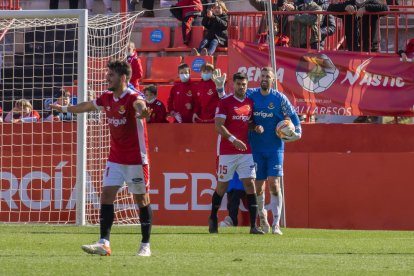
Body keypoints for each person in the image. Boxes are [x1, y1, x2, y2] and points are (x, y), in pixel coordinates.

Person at [50, 59, 153, 257]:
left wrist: (143, 112)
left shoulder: (133, 97)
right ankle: (104, 243)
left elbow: (140, 105)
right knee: (106, 195)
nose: (107, 77)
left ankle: (145, 244)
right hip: (115, 158)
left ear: (122, 78)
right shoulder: (106, 97)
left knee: (141, 199)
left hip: (136, 160)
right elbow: (87, 106)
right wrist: (64, 109)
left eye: (111, 75)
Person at [213, 67, 302, 235]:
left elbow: (294, 116)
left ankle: (276, 224)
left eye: (267, 76)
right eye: (262, 76)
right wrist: (220, 89)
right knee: (258, 187)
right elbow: (229, 102)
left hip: (275, 149)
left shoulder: (279, 98)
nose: (264, 79)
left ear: (273, 80)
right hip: (255, 148)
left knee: (275, 185)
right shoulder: (251, 94)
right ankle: (262, 218)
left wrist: (298, 133)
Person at [208, 72, 264, 235]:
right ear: (234, 85)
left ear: (247, 85)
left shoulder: (249, 102)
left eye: (244, 84)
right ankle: (212, 218)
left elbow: (250, 122)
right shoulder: (225, 102)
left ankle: (253, 226)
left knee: (250, 184)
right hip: (227, 152)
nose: (242, 87)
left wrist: (256, 127)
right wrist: (233, 140)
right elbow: (218, 125)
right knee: (222, 186)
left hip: (245, 151)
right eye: (239, 84)